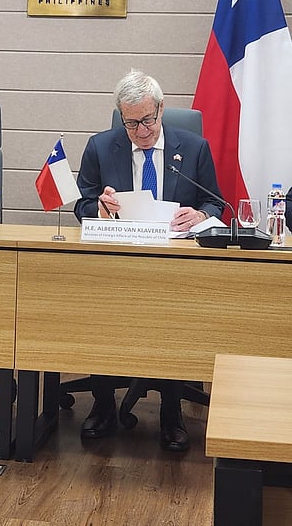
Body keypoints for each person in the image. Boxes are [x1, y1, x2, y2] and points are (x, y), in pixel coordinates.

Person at [74, 68, 224, 452]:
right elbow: (82, 204)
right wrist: (101, 209)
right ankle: (104, 405)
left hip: (173, 266)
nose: (141, 130)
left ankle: (172, 413)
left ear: (161, 108)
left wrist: (201, 216)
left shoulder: (193, 147)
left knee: (172, 320)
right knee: (97, 315)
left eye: (147, 120)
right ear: (120, 117)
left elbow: (214, 202)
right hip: (116, 263)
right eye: (130, 123)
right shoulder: (100, 146)